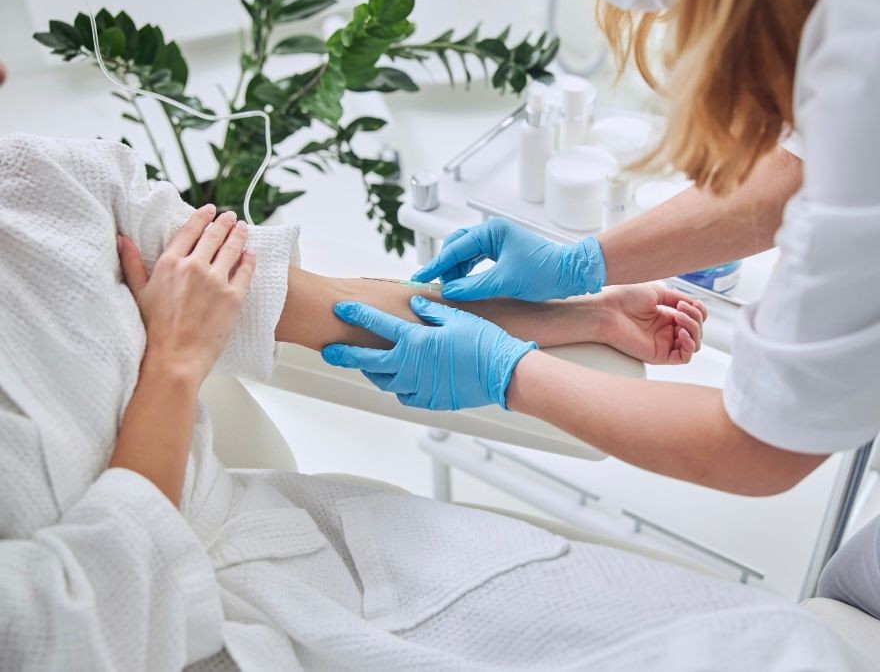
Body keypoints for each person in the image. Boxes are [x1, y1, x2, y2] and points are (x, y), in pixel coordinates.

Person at [0, 63, 858, 672]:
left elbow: (311, 300)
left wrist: (579, 299)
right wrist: (174, 366)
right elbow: (62, 633)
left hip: (299, 553)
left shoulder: (48, 181)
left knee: (776, 647)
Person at [322, 0, 880, 620]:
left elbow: (761, 446)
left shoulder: (861, 52)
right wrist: (585, 264)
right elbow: (800, 170)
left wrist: (508, 372)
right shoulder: (841, 12)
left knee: (842, 609)